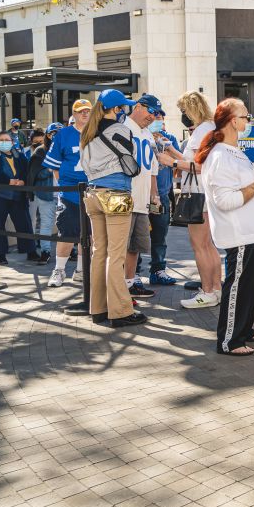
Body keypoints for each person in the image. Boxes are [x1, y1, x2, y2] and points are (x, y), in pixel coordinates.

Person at [197, 98, 254, 355]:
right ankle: (229, 340)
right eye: (246, 117)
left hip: (250, 231)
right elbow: (226, 200)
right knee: (236, 287)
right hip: (238, 233)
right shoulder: (221, 156)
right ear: (234, 122)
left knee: (249, 285)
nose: (250, 122)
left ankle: (244, 329)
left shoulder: (234, 151)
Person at [80, 90, 147, 328]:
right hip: (116, 194)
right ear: (117, 109)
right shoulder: (121, 130)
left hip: (93, 194)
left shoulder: (87, 133)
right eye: (123, 107)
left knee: (100, 252)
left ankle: (98, 308)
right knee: (116, 254)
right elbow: (131, 159)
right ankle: (119, 311)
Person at [175, 92, 222, 309]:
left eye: (183, 111)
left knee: (199, 245)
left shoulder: (202, 130)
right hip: (208, 194)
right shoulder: (211, 128)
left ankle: (207, 291)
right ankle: (216, 289)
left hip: (198, 194)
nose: (182, 116)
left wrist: (171, 162)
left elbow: (201, 166)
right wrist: (173, 153)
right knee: (208, 245)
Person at [43, 99, 93, 287]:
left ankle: (80, 270)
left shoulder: (96, 132)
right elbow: (53, 165)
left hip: (92, 191)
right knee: (67, 233)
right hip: (70, 193)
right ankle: (59, 270)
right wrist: (63, 184)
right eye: (81, 111)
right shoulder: (63, 134)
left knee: (87, 234)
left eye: (88, 111)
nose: (85, 114)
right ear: (74, 114)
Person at [121, 94, 164, 299]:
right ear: (138, 106)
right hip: (125, 198)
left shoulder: (147, 133)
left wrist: (154, 194)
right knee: (120, 246)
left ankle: (129, 283)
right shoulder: (123, 127)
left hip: (142, 200)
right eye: (150, 111)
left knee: (135, 247)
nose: (153, 117)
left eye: (156, 113)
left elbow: (153, 168)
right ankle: (116, 287)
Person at [0, 130, 40, 265]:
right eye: (2, 140)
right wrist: (8, 181)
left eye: (7, 140)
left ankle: (31, 251)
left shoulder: (19, 155)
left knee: (25, 223)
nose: (5, 142)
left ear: (12, 142)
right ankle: (0, 255)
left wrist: (23, 181)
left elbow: (27, 170)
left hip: (18, 196)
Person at [146, 110, 182, 286]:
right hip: (142, 196)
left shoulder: (169, 139)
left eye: (159, 118)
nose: (156, 121)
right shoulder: (140, 136)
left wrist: (168, 149)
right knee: (137, 237)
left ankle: (158, 270)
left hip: (162, 196)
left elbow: (180, 163)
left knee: (160, 236)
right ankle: (134, 273)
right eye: (154, 118)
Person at [26, 125, 59, 264]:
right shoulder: (40, 152)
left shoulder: (68, 149)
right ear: (48, 135)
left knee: (65, 225)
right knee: (46, 224)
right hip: (46, 194)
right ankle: (45, 251)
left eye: (59, 133)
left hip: (66, 194)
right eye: (52, 133)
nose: (55, 136)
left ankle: (70, 250)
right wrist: (51, 169)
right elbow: (35, 174)